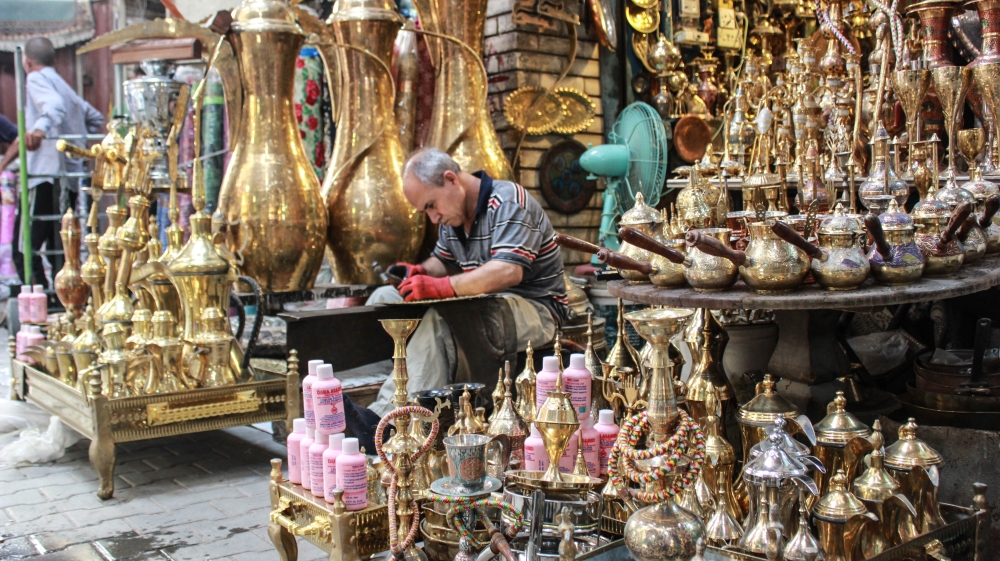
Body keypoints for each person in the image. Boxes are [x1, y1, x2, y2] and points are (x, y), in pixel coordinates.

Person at [364, 148, 568, 416]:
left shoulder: (508, 202)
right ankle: (378, 392)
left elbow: (508, 272)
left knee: (444, 317)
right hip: (487, 303)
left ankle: (393, 419)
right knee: (384, 298)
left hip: (537, 310)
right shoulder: (453, 217)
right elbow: (443, 263)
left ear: (451, 179)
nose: (433, 217)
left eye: (431, 205)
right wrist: (418, 272)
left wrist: (439, 287)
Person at [0, 37, 104, 285]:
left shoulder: (36, 79)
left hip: (45, 174)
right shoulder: (62, 84)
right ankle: (61, 302)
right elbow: (95, 117)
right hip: (67, 176)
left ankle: (38, 298)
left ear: (27, 61)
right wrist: (74, 146)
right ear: (54, 60)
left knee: (24, 247)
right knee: (63, 244)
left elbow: (53, 107)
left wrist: (41, 131)